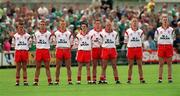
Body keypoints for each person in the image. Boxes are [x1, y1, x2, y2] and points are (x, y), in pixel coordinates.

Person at [124, 17, 146, 84]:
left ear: (138, 23)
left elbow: (142, 42)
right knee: (130, 65)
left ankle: (141, 79)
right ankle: (129, 79)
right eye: (133, 21)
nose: (134, 23)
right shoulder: (128, 31)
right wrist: (127, 50)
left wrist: (143, 48)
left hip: (138, 49)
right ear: (131, 23)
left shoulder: (141, 32)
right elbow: (126, 42)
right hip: (131, 49)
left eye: (136, 21)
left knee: (140, 65)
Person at [154, 14, 175, 83]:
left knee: (169, 64)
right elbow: (156, 39)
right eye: (164, 20)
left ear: (168, 21)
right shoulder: (158, 30)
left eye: (166, 20)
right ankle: (160, 78)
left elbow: (173, 38)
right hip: (161, 46)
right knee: (161, 64)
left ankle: (170, 78)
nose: (165, 21)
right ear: (161, 21)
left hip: (169, 46)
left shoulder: (171, 29)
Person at [53, 19, 73, 85]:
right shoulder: (56, 33)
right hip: (59, 50)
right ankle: (57, 80)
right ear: (59, 25)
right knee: (58, 66)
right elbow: (54, 43)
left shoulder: (69, 33)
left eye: (64, 24)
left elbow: (71, 43)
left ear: (66, 25)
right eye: (61, 24)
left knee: (68, 66)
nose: (62, 25)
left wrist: (68, 49)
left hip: (67, 50)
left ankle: (69, 80)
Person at [33, 19, 53, 86]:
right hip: (39, 51)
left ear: (45, 25)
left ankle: (49, 81)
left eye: (43, 24)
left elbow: (51, 42)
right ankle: (36, 81)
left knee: (47, 67)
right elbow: (34, 43)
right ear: (39, 25)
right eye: (41, 24)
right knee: (37, 67)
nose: (42, 26)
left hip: (46, 51)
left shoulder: (49, 34)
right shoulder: (36, 34)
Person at [12, 21, 31, 86]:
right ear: (17, 28)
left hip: (24, 52)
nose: (21, 28)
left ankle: (25, 81)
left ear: (24, 27)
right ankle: (17, 81)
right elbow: (13, 45)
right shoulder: (15, 36)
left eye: (22, 27)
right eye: (20, 27)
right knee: (18, 68)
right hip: (18, 51)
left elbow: (30, 45)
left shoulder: (28, 36)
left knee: (24, 68)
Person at [89, 19, 102, 84]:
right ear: (94, 24)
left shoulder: (103, 32)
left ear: (101, 24)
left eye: (99, 24)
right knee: (94, 65)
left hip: (102, 49)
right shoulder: (91, 32)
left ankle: (103, 79)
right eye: (96, 24)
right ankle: (94, 79)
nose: (97, 25)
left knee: (103, 65)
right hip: (94, 49)